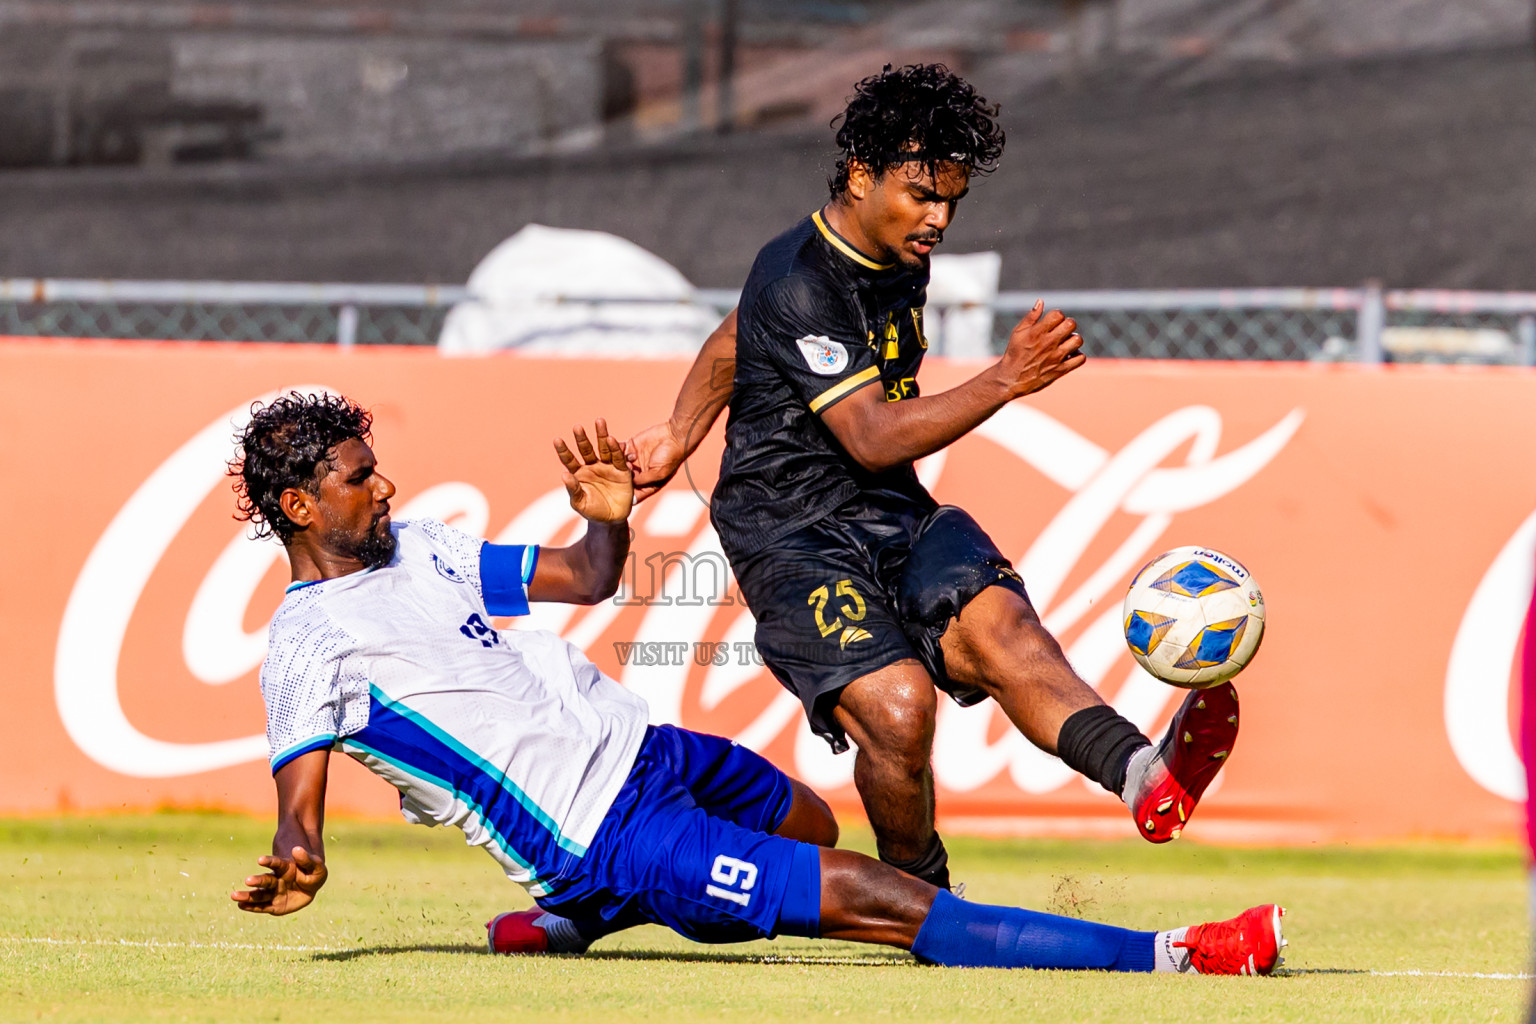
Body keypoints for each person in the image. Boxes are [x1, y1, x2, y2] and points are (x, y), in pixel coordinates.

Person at [227, 391, 1285, 974]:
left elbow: (591, 576)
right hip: (603, 830)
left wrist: (605, 513)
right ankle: (1179, 953)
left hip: (646, 750)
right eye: (360, 476)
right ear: (300, 505)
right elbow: (299, 809)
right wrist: (299, 857)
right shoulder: (307, 644)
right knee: (889, 900)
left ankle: (581, 917)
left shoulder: (423, 544)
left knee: (813, 820)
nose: (387, 482)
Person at [625, 63, 1240, 891]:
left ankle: (1143, 775)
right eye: (921, 194)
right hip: (789, 529)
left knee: (1002, 629)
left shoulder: (893, 252)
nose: (939, 218)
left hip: (886, 508)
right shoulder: (801, 275)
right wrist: (1007, 378)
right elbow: (872, 434)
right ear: (858, 175)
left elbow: (738, 331)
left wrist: (676, 430)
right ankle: (921, 894)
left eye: (951, 198)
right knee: (899, 712)